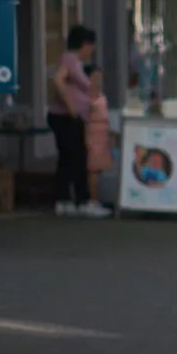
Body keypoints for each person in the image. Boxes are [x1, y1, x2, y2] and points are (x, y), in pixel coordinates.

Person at [49, 25, 109, 217]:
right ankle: (80, 200)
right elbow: (57, 80)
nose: (91, 51)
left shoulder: (72, 61)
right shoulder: (70, 59)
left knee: (70, 157)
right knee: (75, 157)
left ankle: (66, 199)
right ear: (84, 45)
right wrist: (72, 107)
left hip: (72, 116)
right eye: (91, 46)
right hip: (66, 117)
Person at [84, 65, 113, 205]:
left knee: (98, 169)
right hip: (92, 134)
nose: (97, 81)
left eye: (99, 78)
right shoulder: (85, 96)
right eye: (94, 77)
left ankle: (94, 198)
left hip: (102, 134)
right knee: (93, 169)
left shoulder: (101, 95)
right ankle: (92, 200)